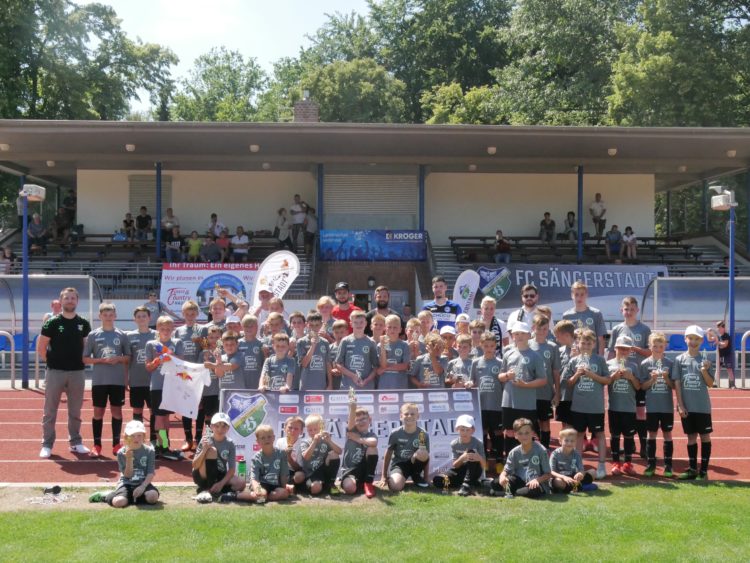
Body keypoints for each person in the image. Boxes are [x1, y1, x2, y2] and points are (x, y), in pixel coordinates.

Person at [38, 287, 92, 458]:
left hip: (77, 372)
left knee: (75, 411)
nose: (70, 301)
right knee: (50, 410)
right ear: (61, 301)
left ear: (77, 301)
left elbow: (86, 346)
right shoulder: (52, 322)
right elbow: (42, 347)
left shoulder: (84, 323)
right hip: (55, 372)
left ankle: (76, 442)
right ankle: (47, 444)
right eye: (66, 298)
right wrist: (52, 363)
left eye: (73, 298)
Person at [83, 303, 130, 458]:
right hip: (99, 380)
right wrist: (100, 361)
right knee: (98, 412)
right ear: (100, 316)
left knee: (117, 411)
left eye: (111, 314)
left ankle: (116, 444)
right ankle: (97, 445)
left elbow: (128, 357)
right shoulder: (93, 335)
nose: (108, 317)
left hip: (117, 380)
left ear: (115, 316)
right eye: (105, 314)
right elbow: (85, 359)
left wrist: (117, 358)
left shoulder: (121, 335)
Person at [607, 296, 652, 457]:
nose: (629, 312)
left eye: (632, 309)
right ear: (621, 310)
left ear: (637, 311)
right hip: (619, 377)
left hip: (637, 375)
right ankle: (630, 443)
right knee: (623, 410)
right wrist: (609, 371)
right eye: (626, 309)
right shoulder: (617, 329)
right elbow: (612, 351)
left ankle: (643, 444)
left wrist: (635, 349)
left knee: (640, 412)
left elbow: (650, 352)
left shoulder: (644, 329)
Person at [564, 328, 610, 479]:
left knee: (600, 434)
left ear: (594, 344)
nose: (585, 346)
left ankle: (601, 465)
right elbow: (568, 383)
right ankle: (578, 465)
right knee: (579, 435)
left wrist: (591, 374)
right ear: (578, 343)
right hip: (579, 406)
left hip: (595, 406)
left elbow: (607, 380)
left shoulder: (600, 360)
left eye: (588, 343)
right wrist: (577, 373)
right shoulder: (574, 361)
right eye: (583, 343)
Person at [672, 325, 714, 480]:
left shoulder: (706, 360)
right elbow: (677, 383)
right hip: (687, 407)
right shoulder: (679, 360)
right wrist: (680, 405)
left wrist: (704, 370)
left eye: (697, 338)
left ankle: (703, 471)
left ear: (702, 341)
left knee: (705, 437)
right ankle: (692, 469)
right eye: (690, 338)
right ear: (685, 339)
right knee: (691, 437)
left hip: (702, 407)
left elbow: (710, 383)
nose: (693, 341)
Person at [499, 322, 547, 455]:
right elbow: (500, 376)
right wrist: (507, 376)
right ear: (512, 336)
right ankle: (509, 463)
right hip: (508, 401)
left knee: (526, 432)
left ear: (529, 335)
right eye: (516, 334)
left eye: (522, 333)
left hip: (527, 403)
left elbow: (543, 380)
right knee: (509, 432)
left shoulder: (535, 356)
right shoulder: (508, 353)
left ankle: (528, 462)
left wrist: (525, 385)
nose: (519, 336)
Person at [144, 316, 184, 460]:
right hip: (158, 386)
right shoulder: (151, 344)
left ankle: (163, 446)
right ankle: (163, 447)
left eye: (168, 329)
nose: (166, 331)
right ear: (158, 329)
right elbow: (148, 367)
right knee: (159, 418)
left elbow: (182, 363)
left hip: (172, 386)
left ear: (173, 329)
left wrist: (171, 355)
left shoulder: (177, 342)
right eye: (162, 328)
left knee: (166, 418)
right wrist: (157, 361)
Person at [98, 420, 159, 507]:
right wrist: (129, 459)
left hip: (143, 482)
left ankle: (132, 498)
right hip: (127, 483)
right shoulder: (121, 452)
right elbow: (128, 475)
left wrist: (142, 487)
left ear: (144, 436)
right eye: (132, 436)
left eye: (139, 435)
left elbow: (150, 473)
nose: (136, 438)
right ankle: (107, 496)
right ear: (126, 437)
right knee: (119, 502)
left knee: (152, 497)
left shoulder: (150, 451)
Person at [639, 332, 675, 477]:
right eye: (655, 346)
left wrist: (666, 379)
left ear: (665, 347)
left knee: (667, 434)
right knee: (651, 433)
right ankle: (651, 465)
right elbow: (642, 386)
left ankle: (668, 466)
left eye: (661, 346)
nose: (658, 349)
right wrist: (652, 380)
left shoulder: (670, 364)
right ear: (650, 346)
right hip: (652, 406)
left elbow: (673, 385)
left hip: (666, 406)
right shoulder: (645, 364)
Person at [229, 425, 292, 503]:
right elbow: (254, 479)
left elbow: (283, 474)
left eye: (269, 436)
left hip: (275, 486)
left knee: (284, 493)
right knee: (261, 495)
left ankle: (263, 498)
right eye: (263, 438)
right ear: (258, 441)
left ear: (274, 438)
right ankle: (237, 495)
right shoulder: (256, 458)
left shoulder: (281, 453)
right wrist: (257, 490)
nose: (267, 439)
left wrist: (284, 488)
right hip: (260, 485)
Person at [606, 335, 641, 476]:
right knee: (614, 436)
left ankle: (627, 463)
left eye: (626, 349)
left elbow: (639, 387)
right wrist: (614, 376)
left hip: (629, 407)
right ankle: (615, 462)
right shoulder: (608, 364)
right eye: (621, 348)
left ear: (630, 350)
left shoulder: (634, 366)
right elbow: (605, 382)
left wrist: (631, 377)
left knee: (628, 437)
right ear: (615, 348)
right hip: (614, 406)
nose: (623, 351)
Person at [192, 412, 246, 503]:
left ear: (228, 428)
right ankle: (209, 489)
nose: (220, 429)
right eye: (217, 426)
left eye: (224, 426)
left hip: (218, 474)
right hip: (202, 475)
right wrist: (204, 449)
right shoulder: (205, 439)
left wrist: (221, 483)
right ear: (211, 427)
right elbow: (195, 465)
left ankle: (214, 489)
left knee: (241, 483)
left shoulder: (230, 443)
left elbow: (232, 470)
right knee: (212, 450)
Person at [468, 332, 504, 461]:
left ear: (496, 346)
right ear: (481, 346)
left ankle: (499, 458)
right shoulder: (476, 362)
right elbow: (472, 380)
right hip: (481, 405)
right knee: (482, 431)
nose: (489, 349)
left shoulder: (500, 363)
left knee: (497, 432)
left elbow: (504, 385)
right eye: (486, 346)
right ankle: (483, 460)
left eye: (492, 346)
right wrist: (469, 383)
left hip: (496, 405)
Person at [494, 418, 551, 498]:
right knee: (496, 483)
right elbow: (506, 470)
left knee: (531, 491)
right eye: (520, 433)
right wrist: (502, 477)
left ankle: (510, 492)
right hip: (520, 481)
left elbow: (548, 474)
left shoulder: (541, 450)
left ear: (533, 433)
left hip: (535, 482)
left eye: (527, 433)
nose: (524, 436)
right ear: (515, 435)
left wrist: (537, 480)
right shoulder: (514, 452)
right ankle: (509, 490)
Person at [126, 306, 157, 446]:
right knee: (137, 410)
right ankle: (138, 440)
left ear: (149, 318)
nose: (141, 319)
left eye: (144, 316)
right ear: (134, 319)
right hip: (136, 380)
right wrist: (125, 377)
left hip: (154, 382)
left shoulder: (157, 335)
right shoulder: (129, 336)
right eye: (138, 316)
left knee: (155, 412)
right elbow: (127, 359)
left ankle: (155, 440)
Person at [432, 414, 486, 496]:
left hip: (474, 470)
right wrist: (462, 457)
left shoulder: (478, 443)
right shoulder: (454, 443)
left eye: (467, 430)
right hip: (460, 470)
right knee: (438, 480)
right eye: (462, 430)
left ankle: (466, 485)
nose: (464, 432)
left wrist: (478, 458)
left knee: (471, 452)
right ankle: (467, 483)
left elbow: (484, 465)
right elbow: (455, 465)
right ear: (457, 429)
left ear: (473, 430)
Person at [380, 403, 430, 491]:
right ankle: (399, 478)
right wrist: (383, 476)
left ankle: (416, 475)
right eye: (406, 414)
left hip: (414, 463)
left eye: (412, 414)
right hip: (400, 465)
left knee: (423, 452)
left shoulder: (423, 434)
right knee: (395, 487)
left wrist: (426, 477)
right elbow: (388, 453)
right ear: (401, 416)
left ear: (418, 416)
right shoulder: (395, 433)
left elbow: (426, 457)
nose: (409, 416)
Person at [530, 314, 560, 449]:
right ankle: (531, 449)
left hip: (546, 392)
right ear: (533, 328)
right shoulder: (527, 344)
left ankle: (545, 449)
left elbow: (555, 371)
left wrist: (557, 392)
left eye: (545, 329)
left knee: (545, 422)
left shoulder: (552, 347)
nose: (542, 331)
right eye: (539, 328)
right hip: (529, 392)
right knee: (529, 423)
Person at [340, 392, 379, 498]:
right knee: (349, 488)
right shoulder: (352, 431)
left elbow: (373, 442)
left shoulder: (372, 434)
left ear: (369, 420)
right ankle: (356, 483)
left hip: (365, 471)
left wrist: (358, 439)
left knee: (372, 449)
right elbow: (351, 421)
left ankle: (368, 483)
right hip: (350, 471)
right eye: (358, 420)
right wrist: (353, 408)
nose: (361, 422)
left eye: (363, 419)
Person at [292, 413, 342, 495]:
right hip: (310, 473)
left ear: (321, 429)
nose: (313, 432)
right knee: (316, 489)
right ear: (306, 430)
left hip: (323, 471)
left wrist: (329, 441)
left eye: (315, 429)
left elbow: (339, 452)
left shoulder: (325, 440)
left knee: (334, 454)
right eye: (310, 430)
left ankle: (331, 483)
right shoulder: (305, 442)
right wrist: (314, 442)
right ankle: (305, 487)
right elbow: (306, 457)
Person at [335, 310, 379, 389]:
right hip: (347, 386)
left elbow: (376, 367)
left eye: (361, 322)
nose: (359, 325)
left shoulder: (371, 342)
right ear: (351, 324)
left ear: (365, 323)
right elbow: (338, 364)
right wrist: (353, 376)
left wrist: (367, 380)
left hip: (366, 387)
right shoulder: (345, 341)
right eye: (356, 322)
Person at [562, 281, 606, 355]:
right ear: (572, 295)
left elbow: (601, 338)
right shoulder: (566, 316)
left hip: (592, 357)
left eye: (582, 294)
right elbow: (565, 339)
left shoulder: (596, 313)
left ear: (586, 295)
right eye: (576, 294)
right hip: (574, 357)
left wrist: (601, 358)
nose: (579, 297)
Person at [549, 428, 598, 493]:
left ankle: (574, 487)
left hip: (573, 477)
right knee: (557, 482)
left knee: (593, 472)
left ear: (575, 442)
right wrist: (564, 477)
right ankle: (579, 487)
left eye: (572, 441)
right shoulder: (555, 454)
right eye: (566, 441)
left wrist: (580, 474)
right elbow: (551, 472)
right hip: (561, 478)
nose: (569, 443)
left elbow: (581, 470)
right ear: (560, 441)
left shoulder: (577, 454)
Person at [296, 312, 332, 391]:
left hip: (321, 385)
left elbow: (328, 364)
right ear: (307, 325)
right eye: (311, 325)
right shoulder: (301, 342)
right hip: (306, 385)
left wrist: (330, 384)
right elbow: (304, 364)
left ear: (321, 325)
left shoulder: (325, 342)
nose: (314, 328)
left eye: (317, 325)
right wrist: (313, 346)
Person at [377, 314, 411, 390]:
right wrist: (383, 347)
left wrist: (386, 368)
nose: (392, 330)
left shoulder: (404, 345)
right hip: (384, 385)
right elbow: (381, 366)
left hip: (400, 385)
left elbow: (405, 366)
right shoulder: (380, 345)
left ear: (400, 329)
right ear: (385, 328)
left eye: (395, 327)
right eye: (389, 327)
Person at [553, 320, 576, 430]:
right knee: (564, 420)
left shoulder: (581, 350)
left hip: (576, 395)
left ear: (567, 335)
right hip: (563, 394)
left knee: (575, 423)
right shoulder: (560, 351)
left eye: (558, 336)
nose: (556, 340)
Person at [707, 321, 737, 389]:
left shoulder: (726, 335)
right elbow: (709, 339)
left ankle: (732, 384)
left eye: (720, 328)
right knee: (718, 369)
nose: (718, 330)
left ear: (723, 328)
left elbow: (725, 344)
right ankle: (715, 383)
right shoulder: (718, 336)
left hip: (727, 355)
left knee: (729, 369)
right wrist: (708, 332)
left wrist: (718, 342)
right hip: (720, 355)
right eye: (718, 328)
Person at [238, 315, 264, 389]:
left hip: (257, 383)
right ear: (242, 327)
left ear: (257, 327)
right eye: (246, 326)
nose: (249, 328)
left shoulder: (261, 344)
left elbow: (265, 363)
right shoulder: (237, 343)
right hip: (240, 384)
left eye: (251, 326)